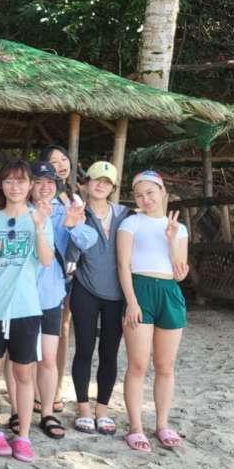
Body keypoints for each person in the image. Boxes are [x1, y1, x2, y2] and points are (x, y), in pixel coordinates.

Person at [0, 159, 54, 463]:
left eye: (21, 181)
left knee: (23, 371)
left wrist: (39, 226)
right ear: (1, 186)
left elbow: (46, 260)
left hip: (25, 307)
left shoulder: (39, 218)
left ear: (30, 185)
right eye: (8, 181)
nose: (15, 187)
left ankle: (23, 435)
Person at [21, 161, 95, 441]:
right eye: (38, 182)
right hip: (21, 294)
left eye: (49, 182)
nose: (44, 187)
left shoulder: (65, 210)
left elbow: (87, 241)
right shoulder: (20, 209)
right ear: (30, 185)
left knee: (48, 358)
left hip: (51, 293)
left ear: (56, 185)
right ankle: (19, 411)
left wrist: (73, 225)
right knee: (21, 357)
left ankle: (47, 411)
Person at [118, 170, 189, 453]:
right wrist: (132, 301)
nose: (145, 199)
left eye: (150, 192)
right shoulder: (131, 223)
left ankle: (162, 424)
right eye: (139, 195)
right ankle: (135, 427)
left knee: (165, 366)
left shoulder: (178, 228)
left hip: (169, 292)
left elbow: (180, 272)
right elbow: (123, 265)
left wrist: (171, 239)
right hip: (140, 290)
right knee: (138, 364)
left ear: (163, 193)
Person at [67, 161, 130, 435]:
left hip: (117, 294)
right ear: (86, 183)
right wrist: (73, 226)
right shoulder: (78, 212)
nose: (101, 185)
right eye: (96, 180)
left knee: (109, 352)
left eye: (107, 182)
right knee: (84, 349)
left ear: (113, 187)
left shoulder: (126, 216)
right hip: (85, 289)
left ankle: (102, 410)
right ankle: (83, 408)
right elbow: (70, 256)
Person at [39, 143, 75, 413]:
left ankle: (56, 387)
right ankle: (35, 389)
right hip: (43, 274)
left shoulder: (75, 197)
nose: (61, 165)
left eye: (64, 159)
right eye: (54, 161)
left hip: (69, 274)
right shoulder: (38, 196)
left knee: (62, 330)